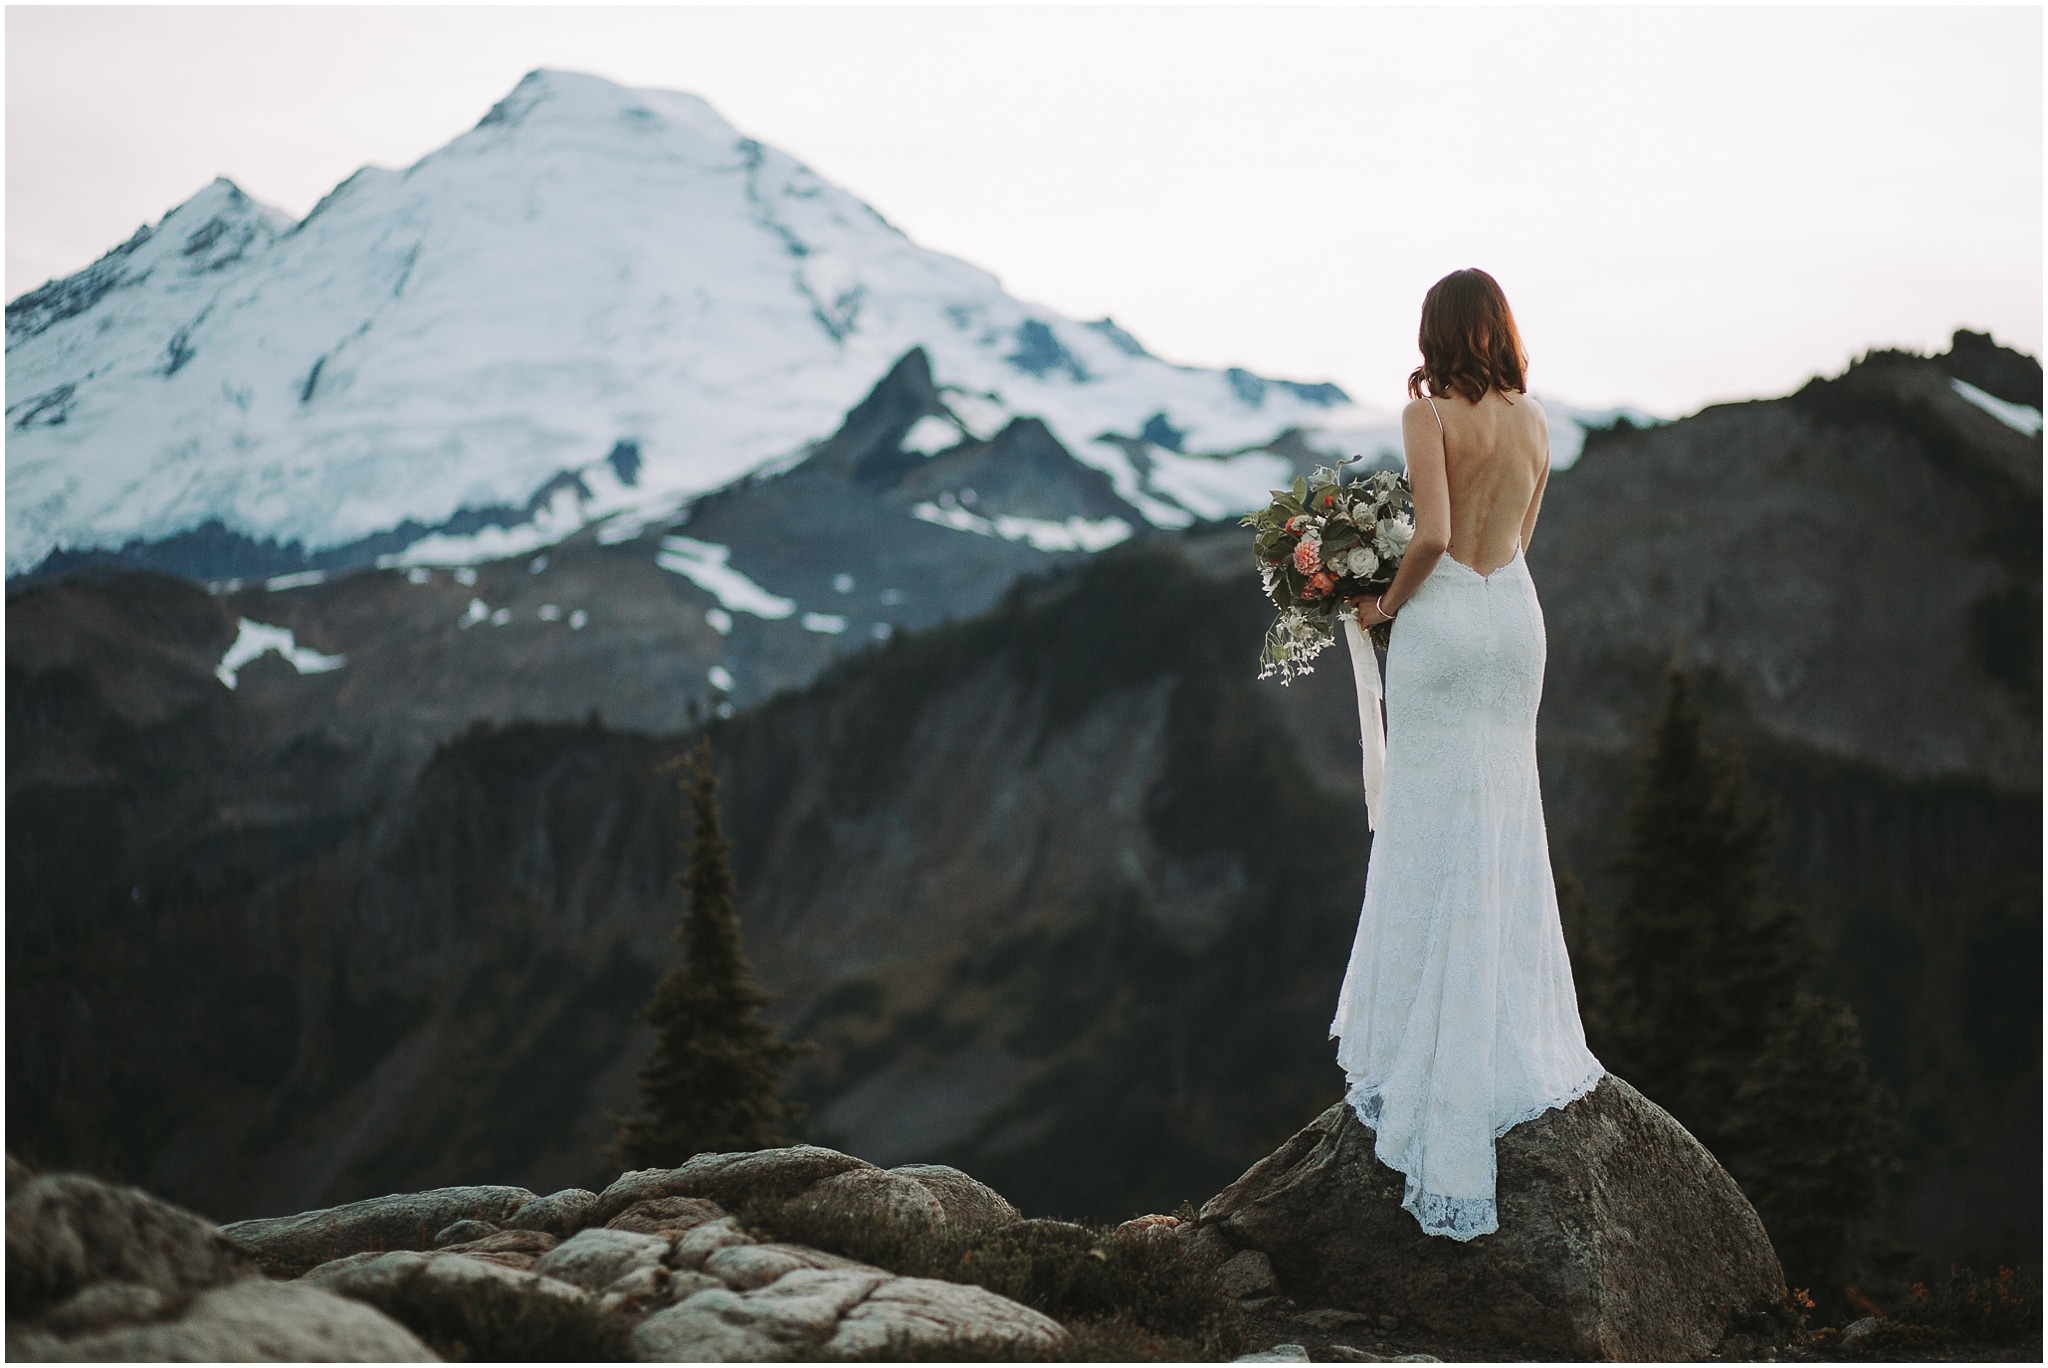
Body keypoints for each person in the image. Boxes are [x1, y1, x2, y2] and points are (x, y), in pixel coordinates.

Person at [1328, 268, 1604, 1241]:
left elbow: (1435, 534)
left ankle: (1420, 1041)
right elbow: (1514, 537)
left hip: (1444, 626)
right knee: (1500, 816)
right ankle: (1502, 1032)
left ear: (1433, 334)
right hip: (1513, 623)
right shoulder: (1534, 423)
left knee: (1427, 815)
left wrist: (1381, 604)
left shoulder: (1426, 414)